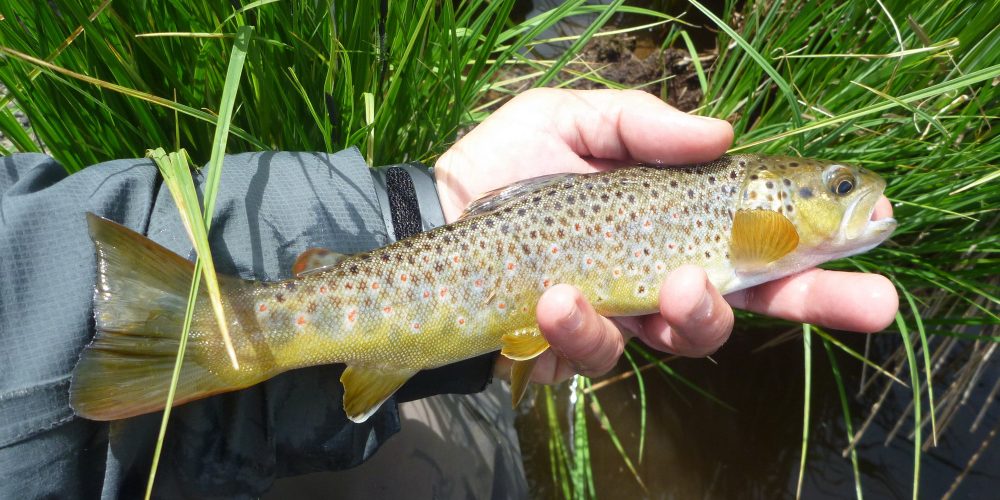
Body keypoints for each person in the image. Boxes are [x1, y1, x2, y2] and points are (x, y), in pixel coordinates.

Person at [0, 89, 898, 498]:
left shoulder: (755, 220)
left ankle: (253, 329)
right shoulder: (760, 218)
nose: (858, 195)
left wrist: (424, 207)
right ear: (781, 198)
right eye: (841, 183)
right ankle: (242, 332)